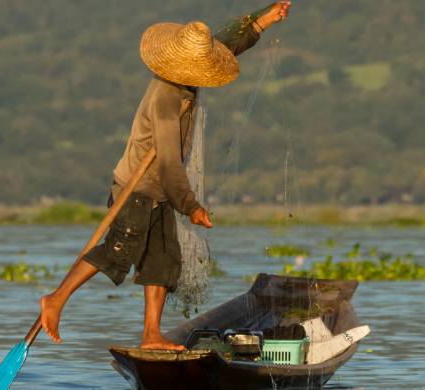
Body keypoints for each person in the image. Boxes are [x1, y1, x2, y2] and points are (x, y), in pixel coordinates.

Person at [38, 2, 292, 350]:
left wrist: (265, 18)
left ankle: (151, 335)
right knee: (117, 250)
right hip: (138, 187)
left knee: (162, 261)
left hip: (160, 191)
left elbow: (227, 44)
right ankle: (56, 299)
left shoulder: (190, 75)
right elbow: (170, 163)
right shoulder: (166, 98)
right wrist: (191, 207)